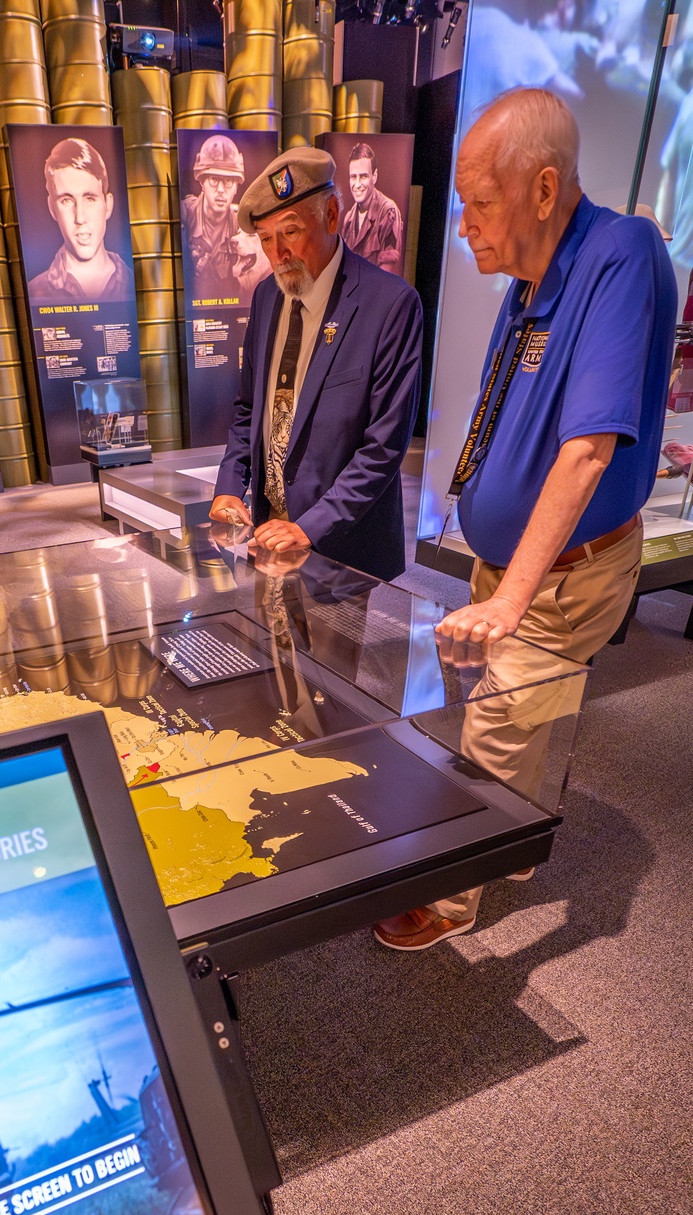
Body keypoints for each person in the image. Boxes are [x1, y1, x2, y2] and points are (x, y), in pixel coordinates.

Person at [374, 88, 676, 952]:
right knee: (521, 715)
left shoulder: (621, 254)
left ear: (545, 190)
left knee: (495, 726)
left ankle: (450, 897)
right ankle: (511, 845)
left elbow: (586, 450)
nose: (464, 222)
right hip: (511, 565)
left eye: (480, 200)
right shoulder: (532, 277)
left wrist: (514, 598)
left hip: (561, 573)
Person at [209, 145, 422, 581]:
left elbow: (383, 447)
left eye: (290, 232)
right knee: (264, 647)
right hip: (266, 537)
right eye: (266, 238)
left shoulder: (390, 305)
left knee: (328, 652)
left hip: (342, 550)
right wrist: (231, 486)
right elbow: (249, 409)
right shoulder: (266, 296)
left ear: (330, 216)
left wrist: (309, 527)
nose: (277, 253)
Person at [27, 137, 134, 304]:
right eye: (67, 200)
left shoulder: (136, 285)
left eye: (90, 199)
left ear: (108, 205)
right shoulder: (35, 292)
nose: (80, 218)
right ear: (52, 208)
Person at [180, 134, 269, 305]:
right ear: (201, 183)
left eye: (228, 181)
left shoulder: (243, 225)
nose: (221, 190)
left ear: (236, 187)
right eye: (214, 180)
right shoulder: (185, 216)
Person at [339, 143, 404, 273]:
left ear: (374, 176)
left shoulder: (388, 212)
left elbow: (387, 274)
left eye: (363, 176)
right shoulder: (349, 219)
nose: (357, 184)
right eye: (353, 177)